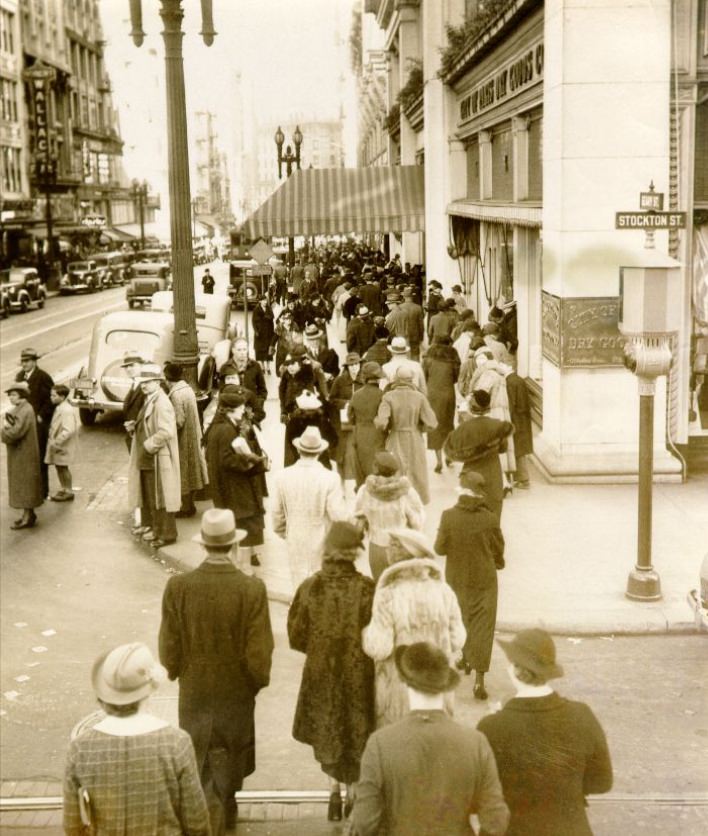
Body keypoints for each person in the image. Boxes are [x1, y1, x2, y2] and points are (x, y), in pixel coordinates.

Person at [159, 508, 274, 833]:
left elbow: (169, 647)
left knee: (202, 758)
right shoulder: (251, 589)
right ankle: (222, 816)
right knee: (230, 756)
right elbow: (260, 654)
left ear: (203, 545)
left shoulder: (179, 586)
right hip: (235, 691)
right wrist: (252, 684)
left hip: (195, 689)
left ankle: (212, 818)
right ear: (234, 546)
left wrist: (179, 671)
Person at [351, 642, 510, 836]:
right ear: (445, 686)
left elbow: (364, 822)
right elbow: (496, 819)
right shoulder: (476, 742)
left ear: (404, 681)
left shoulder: (380, 743)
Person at [64, 642, 210, 836]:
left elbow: (72, 826)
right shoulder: (176, 743)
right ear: (150, 689)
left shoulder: (81, 748)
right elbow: (197, 823)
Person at [478, 629, 613, 835]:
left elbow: (482, 796)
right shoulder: (581, 714)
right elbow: (602, 782)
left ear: (515, 669)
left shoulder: (491, 727)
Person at [288, 522, 376, 822]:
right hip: (359, 675)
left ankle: (333, 793)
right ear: (355, 554)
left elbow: (296, 636)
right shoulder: (367, 589)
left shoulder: (311, 587)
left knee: (329, 731)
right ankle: (353, 795)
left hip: (322, 674)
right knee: (356, 732)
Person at [362, 529, 465, 728]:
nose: (387, 549)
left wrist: (365, 633)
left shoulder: (388, 594)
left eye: (392, 545)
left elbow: (379, 647)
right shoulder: (444, 591)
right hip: (437, 685)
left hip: (400, 690)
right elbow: (458, 639)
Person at [435, 470, 505, 701]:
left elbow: (439, 549)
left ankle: (464, 658)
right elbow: (498, 549)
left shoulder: (448, 516)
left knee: (462, 618)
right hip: (484, 579)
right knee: (483, 626)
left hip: (457, 578)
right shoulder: (489, 518)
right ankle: (479, 680)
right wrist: (498, 562)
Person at [271, 426, 349, 588]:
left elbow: (277, 514)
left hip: (295, 535)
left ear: (299, 451)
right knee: (321, 582)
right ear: (319, 453)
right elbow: (338, 515)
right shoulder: (330, 478)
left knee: (298, 582)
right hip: (321, 537)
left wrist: (283, 531)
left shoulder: (282, 477)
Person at [205, 388, 268, 568]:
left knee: (235, 528)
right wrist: (251, 461)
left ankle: (238, 566)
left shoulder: (219, 426)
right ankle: (242, 568)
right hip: (235, 489)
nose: (243, 411)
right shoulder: (226, 430)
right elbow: (227, 460)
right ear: (230, 410)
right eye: (240, 408)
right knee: (244, 529)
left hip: (227, 487)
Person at [127, 364, 181, 548]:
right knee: (152, 497)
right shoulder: (151, 399)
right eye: (142, 382)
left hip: (157, 457)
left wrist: (148, 446)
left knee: (161, 497)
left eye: (148, 382)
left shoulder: (162, 403)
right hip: (150, 458)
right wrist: (135, 426)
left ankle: (167, 535)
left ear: (158, 382)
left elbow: (166, 432)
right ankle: (157, 530)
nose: (143, 385)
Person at [444, 389, 513, 522]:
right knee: (493, 509)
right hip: (493, 471)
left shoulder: (465, 427)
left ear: (471, 407)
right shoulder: (497, 426)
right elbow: (503, 448)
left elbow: (453, 451)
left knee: (471, 511)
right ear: (488, 407)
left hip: (471, 472)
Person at [354, 452, 424, 581]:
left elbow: (358, 521)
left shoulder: (365, 491)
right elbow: (417, 522)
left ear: (375, 468)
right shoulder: (406, 492)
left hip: (376, 547)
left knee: (381, 587)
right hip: (400, 546)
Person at [375, 365, 437, 505]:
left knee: (396, 471)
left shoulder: (388, 396)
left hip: (395, 437)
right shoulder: (419, 397)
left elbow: (381, 423)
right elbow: (432, 423)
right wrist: (420, 428)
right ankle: (416, 503)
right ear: (411, 380)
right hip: (415, 437)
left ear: (396, 379)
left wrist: (382, 423)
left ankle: (397, 503)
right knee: (416, 472)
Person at [165, 363, 208, 518]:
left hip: (183, 439)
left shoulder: (175, 394)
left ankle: (186, 508)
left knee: (183, 473)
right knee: (193, 471)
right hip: (193, 435)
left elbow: (179, 420)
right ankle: (190, 505)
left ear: (168, 379)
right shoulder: (187, 389)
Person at [1, 382, 43, 529]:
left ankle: (28, 516)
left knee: (25, 483)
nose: (10, 398)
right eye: (10, 395)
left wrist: (4, 430)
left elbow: (16, 432)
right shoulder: (23, 408)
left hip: (23, 453)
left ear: (21, 396)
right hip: (22, 452)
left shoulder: (24, 410)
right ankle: (28, 514)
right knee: (24, 483)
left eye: (13, 395)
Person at [15, 347, 54, 499]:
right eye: (22, 361)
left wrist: (41, 415)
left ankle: (43, 491)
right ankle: (29, 489)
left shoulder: (43, 377)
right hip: (24, 422)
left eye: (27, 361)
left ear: (34, 362)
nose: (24, 364)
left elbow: (51, 399)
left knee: (40, 457)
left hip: (38, 424)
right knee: (25, 455)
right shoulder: (20, 377)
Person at [423, 335, 461, 473]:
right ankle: (449, 456)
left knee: (434, 426)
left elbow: (424, 376)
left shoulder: (428, 358)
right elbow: (456, 378)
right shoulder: (453, 357)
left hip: (432, 394)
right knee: (448, 424)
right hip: (448, 393)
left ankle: (438, 460)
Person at [347, 361, 386, 486]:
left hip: (360, 433)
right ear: (378, 379)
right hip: (378, 434)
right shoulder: (382, 395)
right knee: (377, 466)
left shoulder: (356, 395)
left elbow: (350, 417)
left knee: (362, 467)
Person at [328, 352, 363, 488]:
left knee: (358, 453)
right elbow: (331, 400)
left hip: (360, 422)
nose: (354, 368)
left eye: (356, 364)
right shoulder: (340, 381)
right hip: (343, 424)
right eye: (351, 365)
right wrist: (345, 403)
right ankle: (342, 484)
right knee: (343, 454)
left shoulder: (365, 379)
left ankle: (358, 484)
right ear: (347, 367)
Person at [284, 389, 338, 468]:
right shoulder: (322, 420)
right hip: (321, 460)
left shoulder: (294, 421)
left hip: (301, 459)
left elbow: (291, 441)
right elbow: (334, 439)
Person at [218, 337, 268, 423]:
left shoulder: (255, 366)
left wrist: (257, 405)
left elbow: (262, 390)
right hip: (233, 412)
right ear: (233, 350)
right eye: (239, 350)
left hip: (251, 412)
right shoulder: (225, 368)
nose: (242, 353)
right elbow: (222, 391)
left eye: (244, 349)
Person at [45, 384, 78, 502]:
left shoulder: (66, 410)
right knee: (59, 467)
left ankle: (68, 490)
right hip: (60, 445)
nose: (51, 398)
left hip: (63, 445)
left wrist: (56, 442)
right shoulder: (61, 407)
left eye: (54, 395)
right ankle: (63, 488)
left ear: (62, 396)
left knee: (63, 467)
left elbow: (68, 429)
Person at [505, 365, 533, 489]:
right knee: (520, 448)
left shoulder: (509, 382)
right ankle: (520, 478)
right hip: (523, 419)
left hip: (516, 420)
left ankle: (523, 479)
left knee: (518, 449)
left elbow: (511, 403)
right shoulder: (518, 379)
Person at [120, 351, 146, 456]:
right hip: (133, 436)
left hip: (141, 437)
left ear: (141, 366)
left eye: (132, 365)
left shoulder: (146, 385)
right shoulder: (135, 383)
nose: (128, 369)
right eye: (126, 367)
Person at [398, 287, 425, 360]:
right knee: (415, 353)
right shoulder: (418, 307)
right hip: (415, 334)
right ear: (412, 296)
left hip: (403, 334)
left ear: (404, 296)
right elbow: (421, 325)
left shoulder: (399, 307)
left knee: (404, 354)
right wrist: (421, 337)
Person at [252, 296, 275, 374]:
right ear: (260, 301)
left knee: (268, 350)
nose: (265, 302)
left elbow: (272, 317)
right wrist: (256, 331)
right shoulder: (256, 310)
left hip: (268, 333)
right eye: (263, 301)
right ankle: (262, 367)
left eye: (266, 300)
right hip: (260, 333)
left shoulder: (269, 308)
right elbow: (254, 322)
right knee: (260, 351)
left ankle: (268, 367)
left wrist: (265, 317)